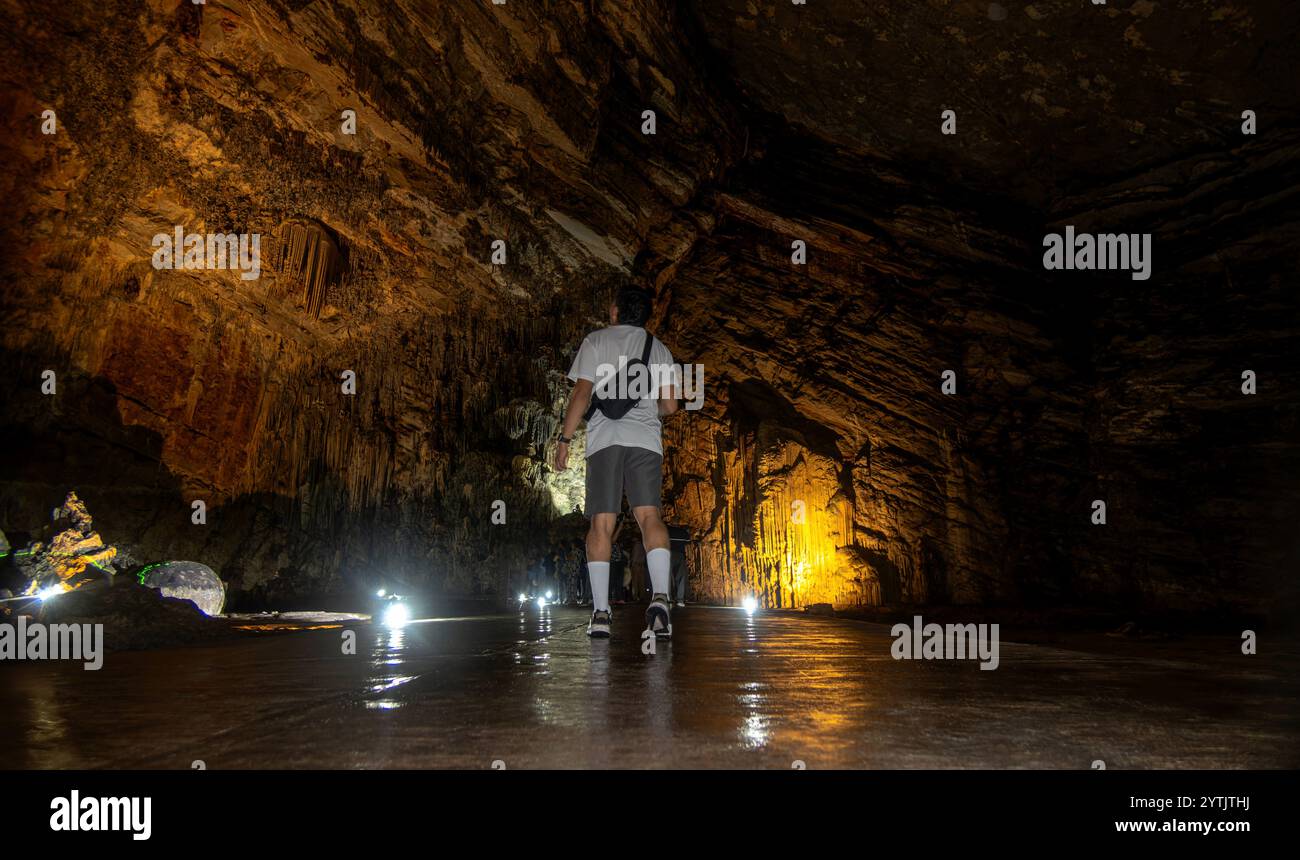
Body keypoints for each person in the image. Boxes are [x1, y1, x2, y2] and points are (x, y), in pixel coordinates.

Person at [552, 283, 681, 640]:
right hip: (645, 441)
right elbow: (670, 406)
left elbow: (581, 393)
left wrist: (564, 439)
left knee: (601, 524)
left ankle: (600, 613)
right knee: (649, 517)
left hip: (605, 439)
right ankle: (660, 599)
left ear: (614, 312)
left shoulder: (597, 342)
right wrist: (646, 407)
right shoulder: (660, 350)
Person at [667, 524, 691, 607]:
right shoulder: (682, 532)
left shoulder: (665, 530)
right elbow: (688, 542)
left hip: (667, 554)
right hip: (680, 555)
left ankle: (668, 598)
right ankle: (680, 599)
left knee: (667, 577)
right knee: (680, 577)